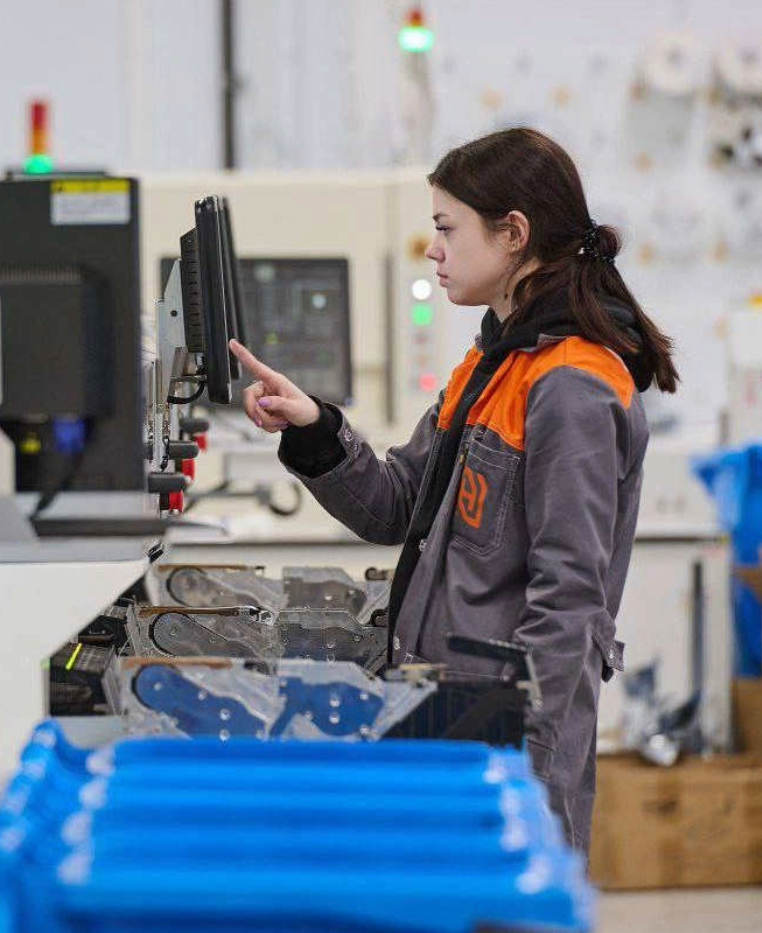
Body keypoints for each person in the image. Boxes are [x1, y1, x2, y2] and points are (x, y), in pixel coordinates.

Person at [228, 127, 679, 852]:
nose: (434, 250)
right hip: (447, 712)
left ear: (513, 234)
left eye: (447, 228)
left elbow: (568, 601)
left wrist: (521, 755)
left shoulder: (572, 385)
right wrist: (313, 426)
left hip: (502, 740)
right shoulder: (491, 362)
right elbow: (396, 504)